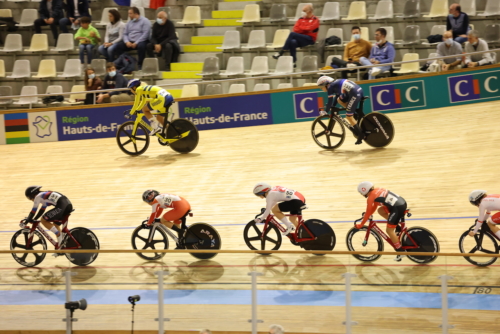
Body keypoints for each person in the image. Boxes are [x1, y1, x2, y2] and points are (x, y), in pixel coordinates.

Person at [356, 181, 408, 261]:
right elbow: (373, 208)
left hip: (397, 208)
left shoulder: (370, 197)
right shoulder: (377, 190)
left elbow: (368, 211)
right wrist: (368, 214)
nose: (362, 195)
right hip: (401, 203)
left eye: (361, 193)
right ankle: (397, 227)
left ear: (364, 190)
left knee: (389, 230)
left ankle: (400, 252)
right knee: (381, 210)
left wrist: (361, 224)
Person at [317, 76, 365, 145]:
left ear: (326, 84)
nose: (321, 89)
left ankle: (360, 135)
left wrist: (325, 111)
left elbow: (329, 101)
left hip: (354, 93)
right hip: (358, 90)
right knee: (339, 99)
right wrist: (333, 106)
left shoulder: (330, 87)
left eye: (321, 87)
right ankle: (353, 112)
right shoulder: (334, 84)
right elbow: (337, 97)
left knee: (348, 116)